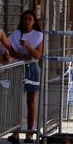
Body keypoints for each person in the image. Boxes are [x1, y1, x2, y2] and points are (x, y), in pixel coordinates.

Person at [6, 10, 43, 144]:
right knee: (16, 101)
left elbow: (37, 55)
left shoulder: (38, 35)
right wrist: (24, 56)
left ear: (34, 21)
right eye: (24, 19)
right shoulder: (16, 34)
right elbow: (11, 51)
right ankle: (15, 133)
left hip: (32, 69)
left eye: (29, 19)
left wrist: (27, 46)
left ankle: (29, 134)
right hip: (18, 67)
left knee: (31, 102)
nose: (26, 21)